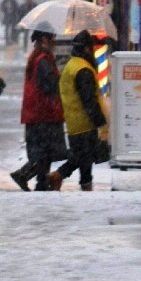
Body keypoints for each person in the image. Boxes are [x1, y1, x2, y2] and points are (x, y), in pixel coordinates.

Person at [47, 30, 107, 192]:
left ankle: (84, 184)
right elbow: (89, 100)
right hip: (84, 121)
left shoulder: (71, 65)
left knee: (83, 157)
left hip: (74, 120)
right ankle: (59, 176)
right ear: (87, 49)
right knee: (83, 156)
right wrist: (99, 121)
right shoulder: (83, 69)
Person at [10, 25, 67, 191]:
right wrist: (60, 79)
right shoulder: (43, 60)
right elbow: (49, 86)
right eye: (52, 39)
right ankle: (24, 175)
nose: (54, 42)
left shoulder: (38, 57)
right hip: (44, 113)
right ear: (44, 40)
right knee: (44, 152)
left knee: (45, 151)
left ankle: (40, 182)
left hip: (37, 113)